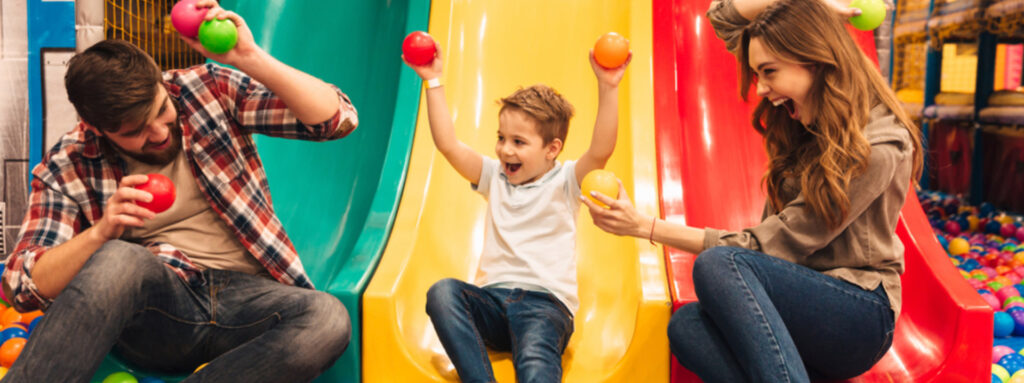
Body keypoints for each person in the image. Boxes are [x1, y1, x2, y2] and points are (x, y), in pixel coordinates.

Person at [2, 2, 357, 381]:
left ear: (161, 83)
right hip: (161, 313)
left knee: (327, 316)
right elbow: (22, 287)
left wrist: (249, 56)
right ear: (95, 127)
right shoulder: (68, 163)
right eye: (134, 131)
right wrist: (102, 232)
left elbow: (336, 120)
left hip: (251, 299)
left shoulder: (207, 90)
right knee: (119, 258)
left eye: (160, 110)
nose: (157, 132)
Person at [581, 0, 923, 381]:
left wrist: (646, 226)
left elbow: (768, 247)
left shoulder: (877, 145)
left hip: (857, 315)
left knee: (720, 264)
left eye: (769, 72)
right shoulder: (805, 114)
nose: (760, 87)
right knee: (688, 326)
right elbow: (723, 16)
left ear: (812, 59)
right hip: (792, 307)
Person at [401, 42, 630, 382]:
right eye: (501, 137)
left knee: (536, 363)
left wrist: (608, 87)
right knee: (443, 292)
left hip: (544, 307)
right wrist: (433, 81)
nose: (505, 149)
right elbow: (448, 145)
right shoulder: (494, 176)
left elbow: (601, 150)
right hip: (491, 301)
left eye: (519, 142)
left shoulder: (566, 181)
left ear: (552, 149)